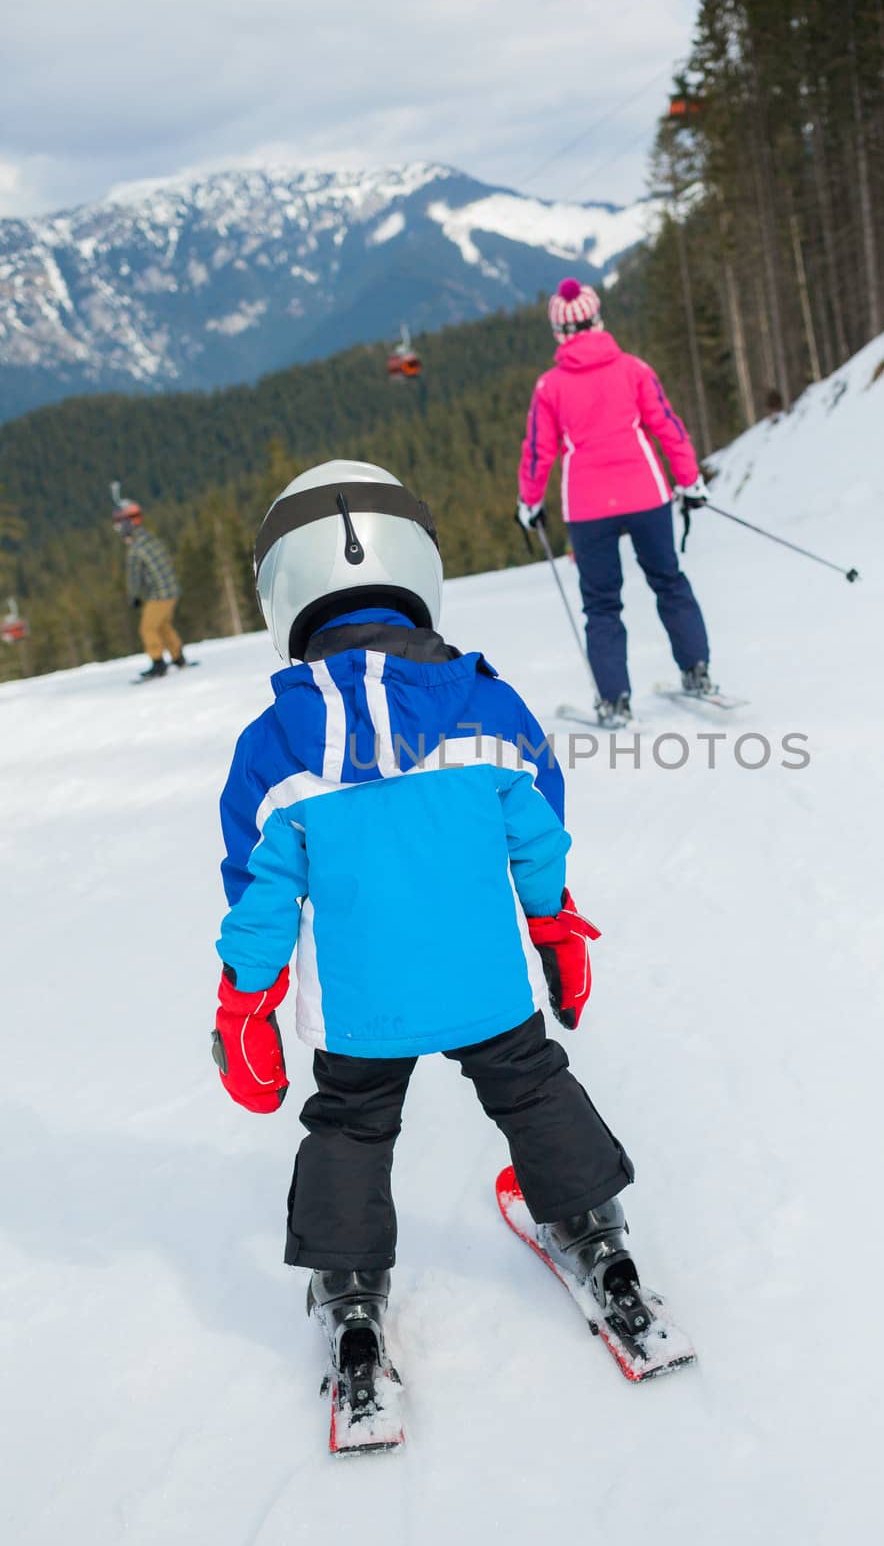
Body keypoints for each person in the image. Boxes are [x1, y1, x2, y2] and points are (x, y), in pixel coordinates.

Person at [211, 457, 636, 1381]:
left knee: (352, 1125)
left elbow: (260, 899)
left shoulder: (275, 747)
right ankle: (603, 1243)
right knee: (530, 1085)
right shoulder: (488, 705)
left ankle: (352, 1297)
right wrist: (555, 928)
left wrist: (245, 1005)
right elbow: (538, 836)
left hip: (365, 1012)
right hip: (487, 986)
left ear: (284, 588)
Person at [517, 277, 715, 728]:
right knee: (669, 582)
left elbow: (538, 452)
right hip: (647, 494)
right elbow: (668, 426)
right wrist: (689, 480)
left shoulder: (550, 387)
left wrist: (529, 503)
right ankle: (697, 672)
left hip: (588, 510)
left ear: (559, 333)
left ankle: (615, 700)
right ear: (599, 321)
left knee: (602, 605)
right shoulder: (634, 369)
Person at [113, 498, 186, 680]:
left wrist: (134, 597)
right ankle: (178, 658)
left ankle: (158, 663)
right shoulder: (150, 538)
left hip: (160, 594)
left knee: (148, 628)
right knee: (162, 625)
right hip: (171, 591)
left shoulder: (135, 549)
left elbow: (134, 577)